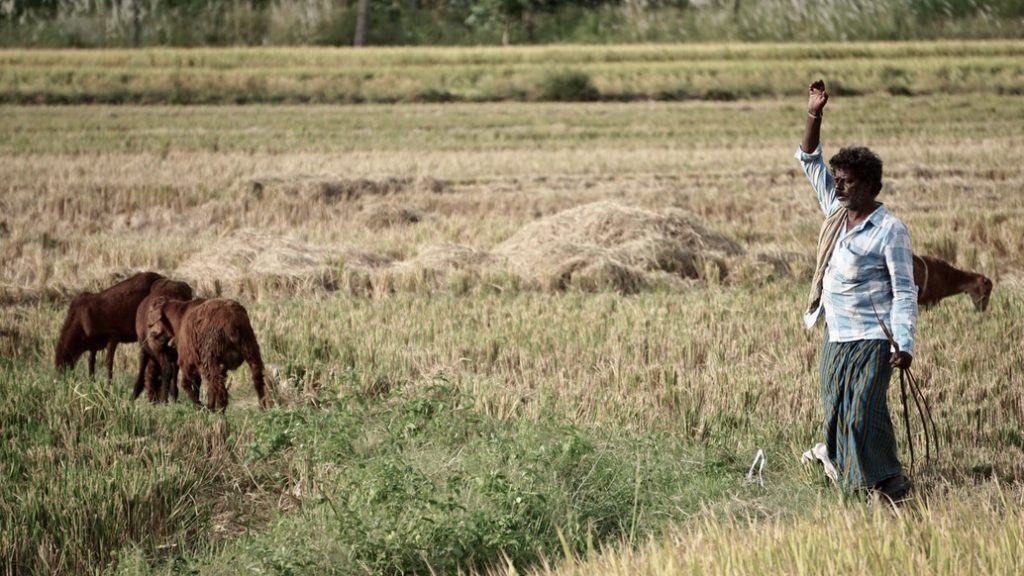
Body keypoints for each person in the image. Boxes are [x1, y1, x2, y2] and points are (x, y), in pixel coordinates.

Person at [796, 79, 918, 501]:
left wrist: (904, 342)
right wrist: (815, 112)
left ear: (870, 186)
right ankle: (885, 480)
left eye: (847, 181)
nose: (839, 186)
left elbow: (904, 291)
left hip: (872, 335)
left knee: (862, 412)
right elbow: (809, 159)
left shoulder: (889, 230)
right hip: (837, 333)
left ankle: (873, 483)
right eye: (837, 179)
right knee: (839, 411)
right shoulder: (835, 212)